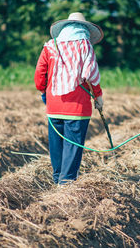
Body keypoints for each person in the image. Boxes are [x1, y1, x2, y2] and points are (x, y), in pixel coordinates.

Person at [34, 12, 104, 185]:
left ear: (65, 29)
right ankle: (66, 184)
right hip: (78, 107)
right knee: (73, 146)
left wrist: (45, 93)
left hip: (54, 104)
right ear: (84, 29)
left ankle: (57, 178)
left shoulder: (51, 46)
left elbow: (39, 76)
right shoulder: (86, 46)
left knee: (56, 144)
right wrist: (98, 96)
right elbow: (92, 76)